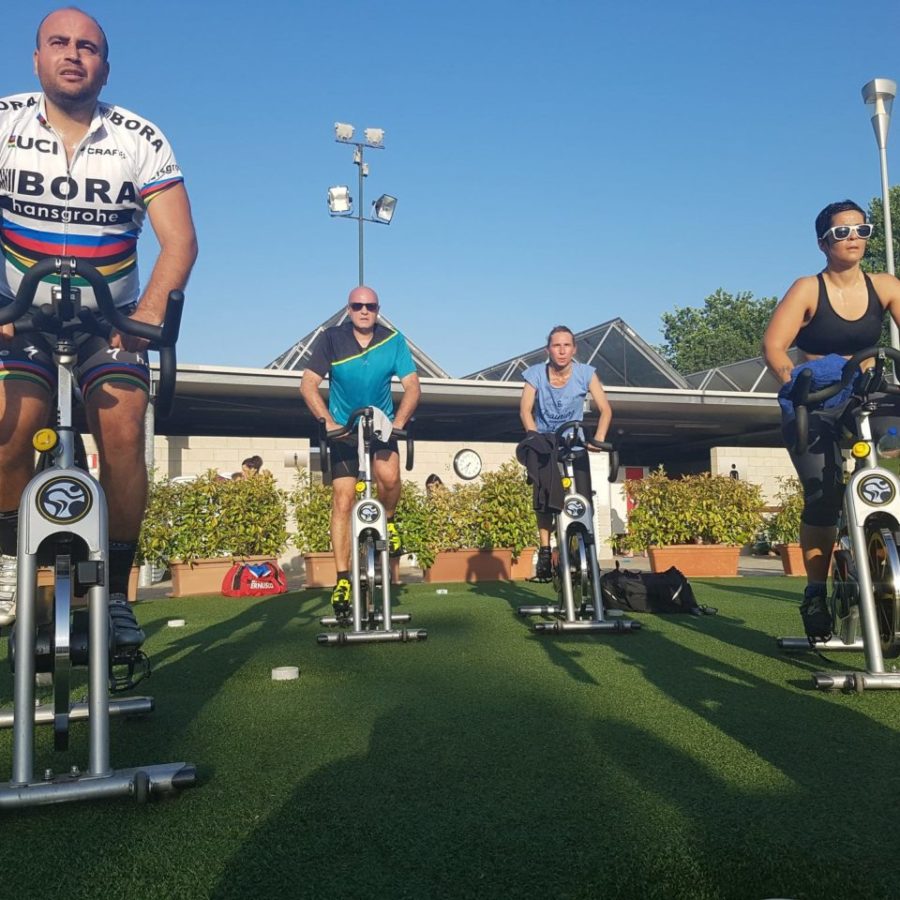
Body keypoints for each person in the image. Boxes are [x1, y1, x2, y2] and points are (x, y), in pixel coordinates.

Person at [0, 8, 198, 630]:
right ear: (37, 58)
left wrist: (144, 316)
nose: (73, 54)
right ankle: (8, 565)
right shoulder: (4, 122)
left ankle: (113, 592)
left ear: (105, 68)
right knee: (9, 428)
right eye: (58, 43)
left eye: (87, 47)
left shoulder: (141, 138)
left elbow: (180, 241)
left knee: (123, 427)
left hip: (109, 320)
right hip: (19, 314)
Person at [762, 199, 900, 639]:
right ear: (824, 243)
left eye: (862, 230)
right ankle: (816, 593)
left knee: (891, 461)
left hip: (867, 396)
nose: (853, 238)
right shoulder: (808, 289)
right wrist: (798, 385)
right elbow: (774, 348)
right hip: (817, 401)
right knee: (823, 497)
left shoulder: (886, 286)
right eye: (842, 232)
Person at [299, 285, 421, 616]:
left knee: (389, 477)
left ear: (378, 309)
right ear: (349, 309)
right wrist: (328, 422)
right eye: (357, 306)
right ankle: (342, 579)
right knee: (343, 499)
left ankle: (389, 521)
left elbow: (412, 387)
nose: (364, 311)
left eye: (370, 306)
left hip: (380, 426)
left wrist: (398, 422)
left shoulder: (392, 340)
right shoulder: (331, 338)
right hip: (343, 430)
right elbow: (308, 385)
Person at [518, 325, 613, 581]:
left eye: (566, 345)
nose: (561, 350)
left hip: (575, 444)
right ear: (548, 350)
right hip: (545, 444)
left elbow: (605, 409)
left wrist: (598, 439)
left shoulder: (586, 373)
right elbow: (525, 410)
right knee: (545, 499)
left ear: (574, 349)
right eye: (556, 345)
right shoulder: (535, 374)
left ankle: (586, 551)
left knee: (584, 501)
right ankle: (545, 551)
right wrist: (533, 436)